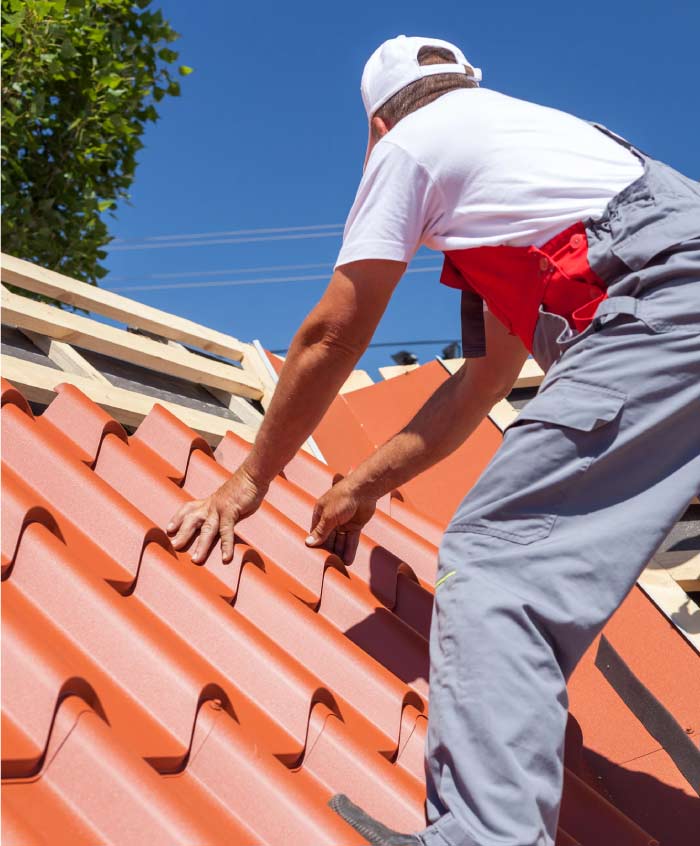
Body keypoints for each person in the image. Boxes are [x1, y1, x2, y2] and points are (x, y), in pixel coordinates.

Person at [167, 35, 700, 846]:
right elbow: (480, 384)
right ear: (466, 81)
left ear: (374, 125)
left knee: (497, 558)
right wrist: (366, 485)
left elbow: (330, 337)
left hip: (662, 308)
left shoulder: (412, 144)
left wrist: (251, 478)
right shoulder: (538, 156)